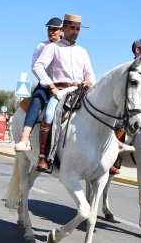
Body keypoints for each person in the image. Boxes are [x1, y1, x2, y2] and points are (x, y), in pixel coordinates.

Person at [29, 13, 96, 172]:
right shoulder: (53, 47)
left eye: (77, 29)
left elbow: (90, 74)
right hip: (60, 90)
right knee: (49, 114)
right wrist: (50, 85)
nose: (75, 31)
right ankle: (43, 157)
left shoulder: (83, 51)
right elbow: (37, 66)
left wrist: (89, 82)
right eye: (72, 28)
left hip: (80, 90)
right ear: (64, 29)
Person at [109, 39, 141, 175]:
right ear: (137, 51)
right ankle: (115, 158)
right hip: (131, 107)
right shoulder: (129, 68)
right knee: (120, 124)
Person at [14, 16, 63, 152]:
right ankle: (25, 138)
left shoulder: (66, 47)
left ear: (61, 31)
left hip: (65, 85)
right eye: (49, 29)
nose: (51, 32)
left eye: (55, 29)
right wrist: (49, 83)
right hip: (47, 84)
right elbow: (35, 67)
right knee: (37, 100)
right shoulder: (42, 45)